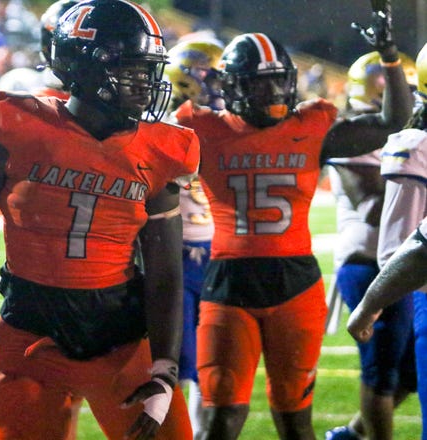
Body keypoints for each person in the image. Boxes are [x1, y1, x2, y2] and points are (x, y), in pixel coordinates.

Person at [0, 0, 200, 439]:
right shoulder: (17, 125)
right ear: (82, 66)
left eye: (149, 69)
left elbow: (165, 268)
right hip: (30, 335)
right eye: (131, 68)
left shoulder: (162, 148)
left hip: (121, 338)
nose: (146, 83)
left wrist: (165, 367)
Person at [175, 8, 413, 439]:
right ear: (232, 86)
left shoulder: (313, 125)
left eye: (277, 78)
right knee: (220, 421)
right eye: (258, 81)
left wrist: (390, 57)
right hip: (229, 284)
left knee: (294, 421)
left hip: (295, 286)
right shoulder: (201, 128)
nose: (272, 90)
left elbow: (392, 121)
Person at [324, 51, 418, 440]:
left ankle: (348, 435)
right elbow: (379, 205)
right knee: (381, 375)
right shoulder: (353, 136)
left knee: (410, 373)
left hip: (407, 264)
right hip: (367, 262)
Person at [349, 41, 427, 440]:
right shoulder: (415, 146)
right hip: (413, 289)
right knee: (384, 374)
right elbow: (398, 250)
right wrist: (371, 303)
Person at [164, 36, 223, 439]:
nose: (220, 85)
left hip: (218, 252)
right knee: (174, 362)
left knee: (213, 362)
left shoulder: (224, 124)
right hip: (175, 254)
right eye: (213, 76)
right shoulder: (164, 129)